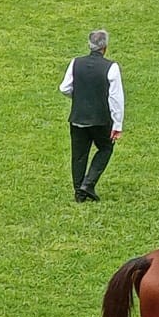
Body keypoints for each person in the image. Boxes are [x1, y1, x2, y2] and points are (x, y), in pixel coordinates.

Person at [58, 30, 125, 203]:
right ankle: (88, 184)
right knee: (105, 148)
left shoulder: (76, 63)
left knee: (78, 155)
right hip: (100, 119)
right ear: (105, 47)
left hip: (77, 117)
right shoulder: (111, 67)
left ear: (90, 45)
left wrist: (80, 96)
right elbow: (116, 98)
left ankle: (79, 192)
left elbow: (65, 88)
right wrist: (117, 124)